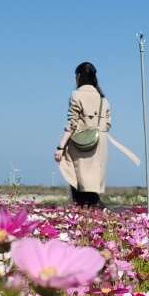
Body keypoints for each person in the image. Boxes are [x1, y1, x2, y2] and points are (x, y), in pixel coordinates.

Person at [55, 62, 111, 207]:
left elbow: (72, 124)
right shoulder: (103, 99)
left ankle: (82, 210)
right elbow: (108, 124)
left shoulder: (76, 95)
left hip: (80, 142)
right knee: (91, 180)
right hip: (99, 142)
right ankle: (95, 208)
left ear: (79, 76)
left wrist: (61, 146)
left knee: (76, 176)